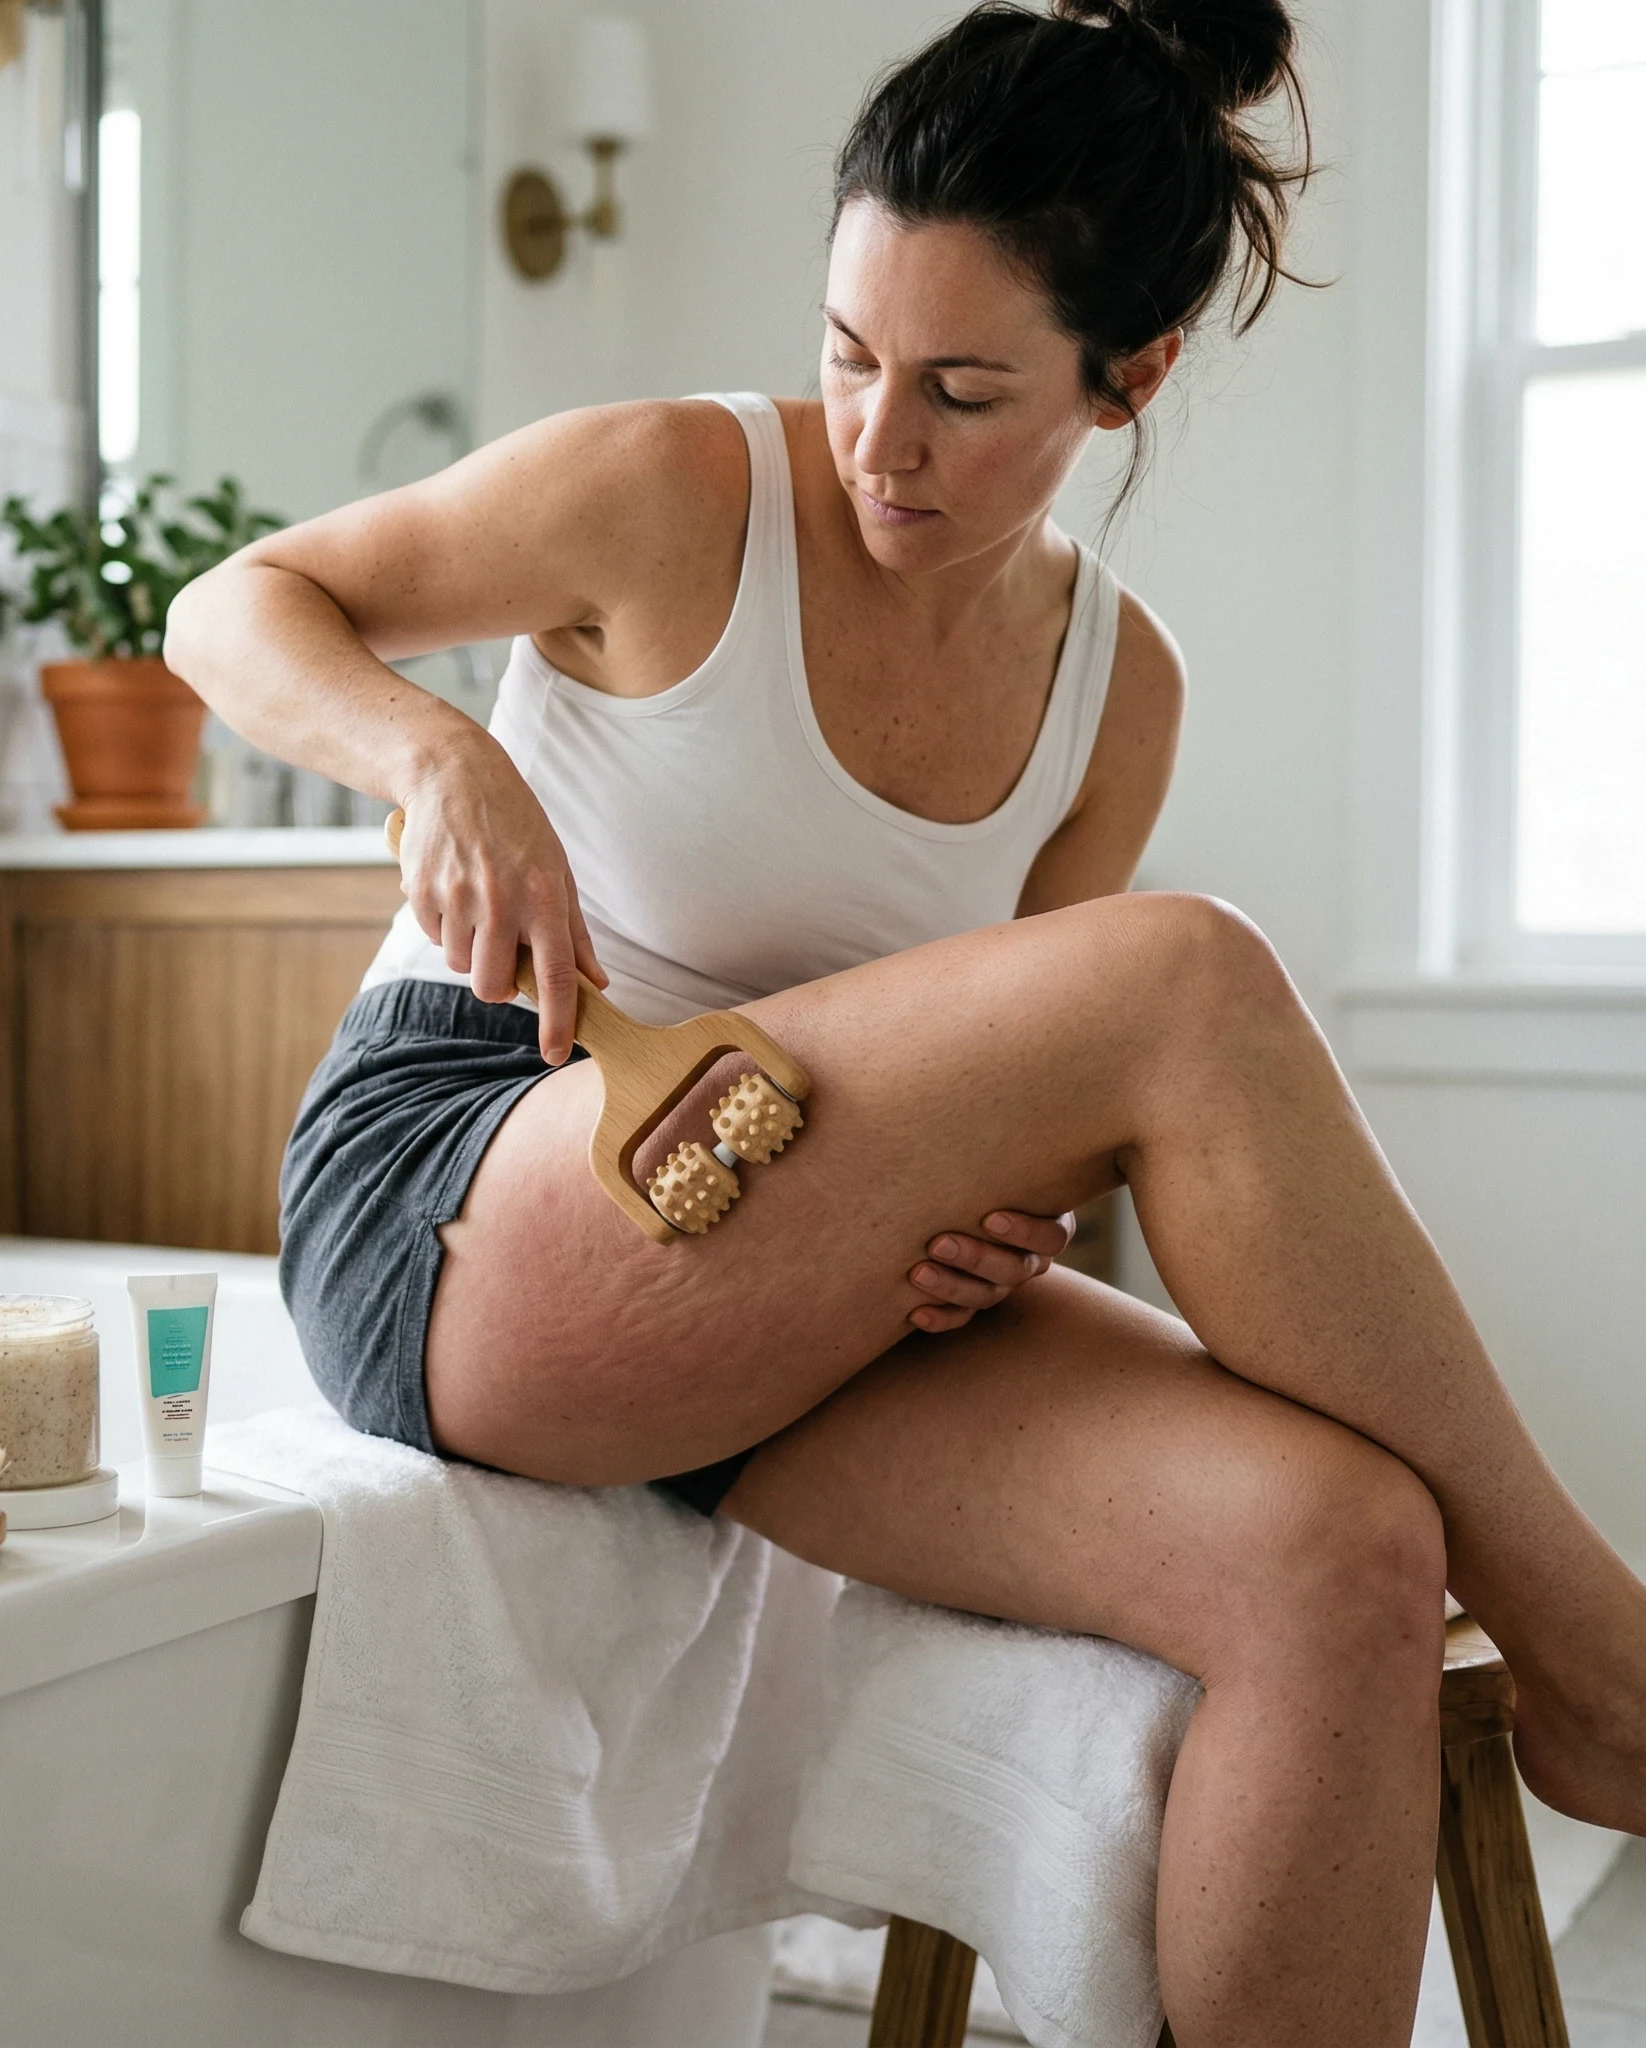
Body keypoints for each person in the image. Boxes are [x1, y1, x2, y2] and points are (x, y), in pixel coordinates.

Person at [166, 3, 1646, 2039]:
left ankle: (1552, 1635)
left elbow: (1014, 1084)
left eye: (961, 390)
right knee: (1186, 973)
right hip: (474, 1184)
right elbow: (230, 604)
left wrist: (998, 1225)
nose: (879, 438)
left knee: (1345, 1549)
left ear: (1127, 380)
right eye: (851, 355)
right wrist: (431, 755)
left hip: (791, 1269)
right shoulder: (676, 486)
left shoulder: (1119, 695)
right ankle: (1606, 1652)